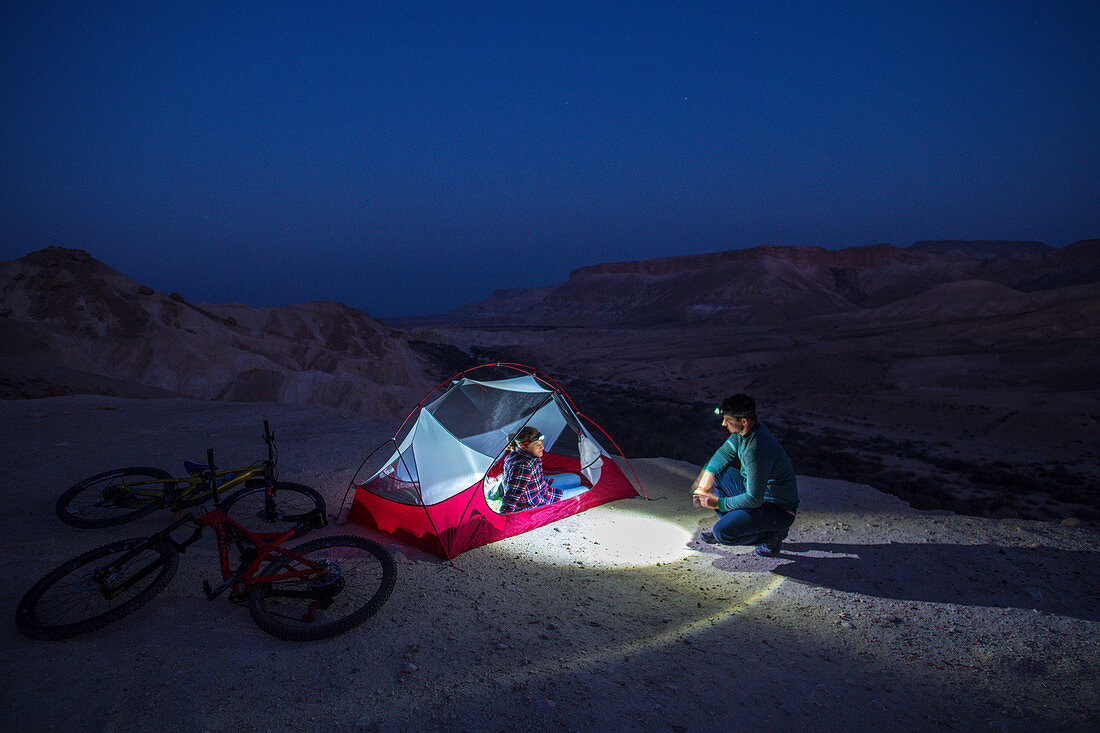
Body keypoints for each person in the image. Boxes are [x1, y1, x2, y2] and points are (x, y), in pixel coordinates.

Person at [691, 394, 799, 556]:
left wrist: (718, 503)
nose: (724, 423)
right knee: (719, 475)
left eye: (728, 419)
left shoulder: (756, 450)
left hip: (777, 508)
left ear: (744, 421)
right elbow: (723, 454)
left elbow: (753, 499)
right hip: (760, 497)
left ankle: (772, 534)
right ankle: (738, 524)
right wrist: (706, 478)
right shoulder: (743, 433)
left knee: (722, 533)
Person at [501, 426, 582, 513]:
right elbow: (512, 495)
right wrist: (505, 514)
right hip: (536, 500)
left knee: (576, 478)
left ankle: (501, 489)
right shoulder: (523, 466)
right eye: (537, 445)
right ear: (524, 447)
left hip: (540, 487)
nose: (542, 447)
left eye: (541, 443)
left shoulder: (517, 453)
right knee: (585, 490)